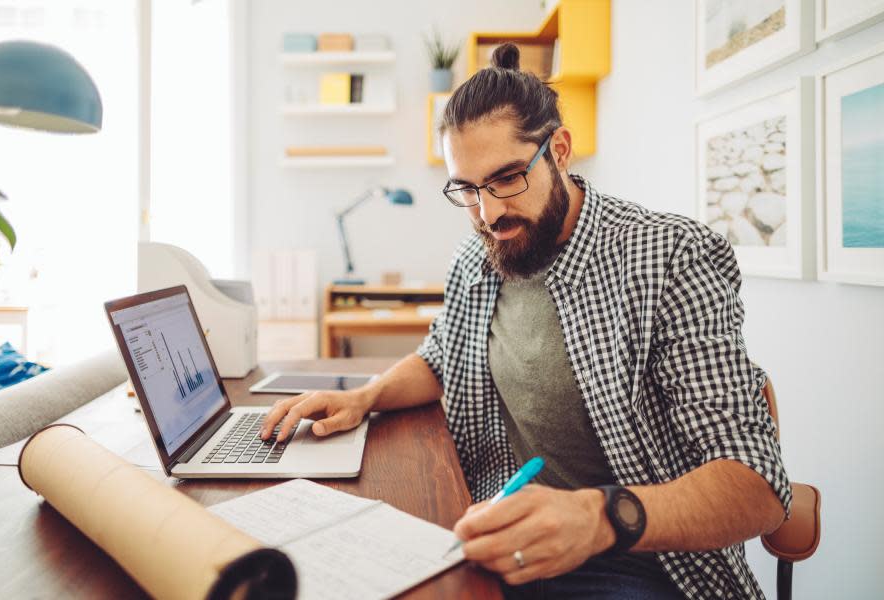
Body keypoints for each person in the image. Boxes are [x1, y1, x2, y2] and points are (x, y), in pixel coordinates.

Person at [261, 43, 790, 599]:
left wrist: (596, 518)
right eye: (466, 188)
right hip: (502, 537)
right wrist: (365, 396)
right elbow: (442, 359)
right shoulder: (478, 258)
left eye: (508, 177)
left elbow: (756, 484)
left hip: (641, 559)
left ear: (559, 150)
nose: (488, 214)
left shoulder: (671, 255)